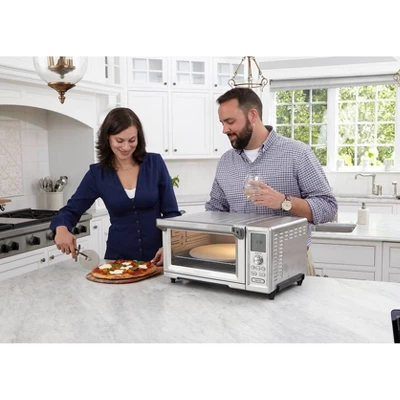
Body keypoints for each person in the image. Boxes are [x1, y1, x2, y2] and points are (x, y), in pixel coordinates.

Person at [205, 87, 338, 275]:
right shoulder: (226, 161)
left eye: (230, 122)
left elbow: (329, 208)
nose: (225, 130)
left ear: (253, 115)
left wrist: (284, 202)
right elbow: (215, 210)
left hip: (291, 264)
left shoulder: (297, 153)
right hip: (237, 264)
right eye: (222, 123)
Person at [50, 107, 180, 265]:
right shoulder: (97, 174)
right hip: (117, 261)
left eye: (132, 140)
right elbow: (71, 211)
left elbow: (172, 213)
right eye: (119, 141)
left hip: (157, 259)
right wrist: (61, 228)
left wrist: (170, 246)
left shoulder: (155, 163)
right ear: (108, 138)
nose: (126, 147)